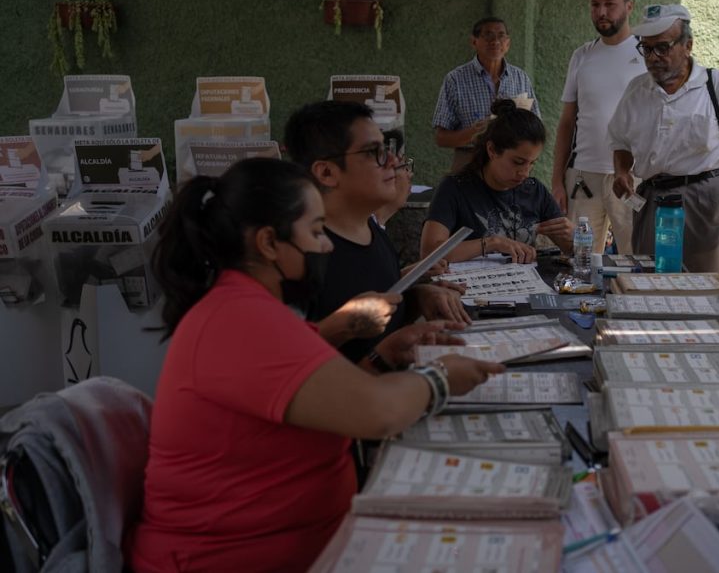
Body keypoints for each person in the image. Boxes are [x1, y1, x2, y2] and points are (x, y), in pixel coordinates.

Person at [127, 158, 503, 573]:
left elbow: (313, 400)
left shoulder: (248, 308)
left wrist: (382, 357)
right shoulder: (239, 321)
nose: (327, 247)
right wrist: (441, 377)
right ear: (269, 243)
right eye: (317, 231)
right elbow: (376, 413)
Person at [284, 101, 470, 368]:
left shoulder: (372, 231)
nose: (393, 162)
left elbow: (376, 330)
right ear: (326, 172)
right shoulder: (299, 254)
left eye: (387, 149)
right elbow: (282, 364)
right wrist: (342, 325)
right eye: (374, 152)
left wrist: (416, 298)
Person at [608, 4, 719, 272]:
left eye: (662, 47)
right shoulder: (637, 90)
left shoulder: (713, 84)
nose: (653, 57)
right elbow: (620, 141)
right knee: (651, 282)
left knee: (703, 285)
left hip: (704, 201)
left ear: (688, 45)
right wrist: (621, 171)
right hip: (653, 200)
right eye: (646, 48)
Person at [551, 0, 647, 253]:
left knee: (635, 258)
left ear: (629, 6)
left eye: (610, 4)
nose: (601, 12)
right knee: (579, 258)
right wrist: (557, 180)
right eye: (595, 5)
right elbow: (567, 122)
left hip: (632, 177)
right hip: (583, 177)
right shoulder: (582, 55)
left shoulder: (646, 54)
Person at [422, 99, 574, 263]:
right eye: (518, 162)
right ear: (492, 150)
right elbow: (429, 253)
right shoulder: (455, 188)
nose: (525, 173)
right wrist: (491, 243)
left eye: (532, 164)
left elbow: (573, 251)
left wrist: (575, 237)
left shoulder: (534, 191)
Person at [433, 17, 540, 172]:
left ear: (508, 43)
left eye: (501, 36)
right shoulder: (455, 79)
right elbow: (441, 138)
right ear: (474, 42)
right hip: (470, 163)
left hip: (511, 166)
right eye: (488, 35)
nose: (495, 41)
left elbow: (536, 128)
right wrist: (474, 133)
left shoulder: (520, 78)